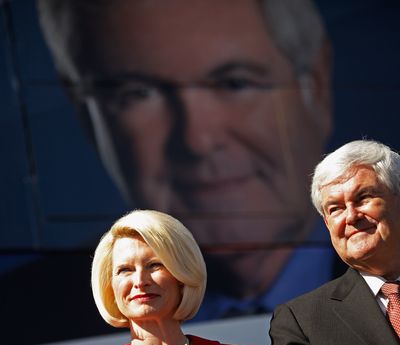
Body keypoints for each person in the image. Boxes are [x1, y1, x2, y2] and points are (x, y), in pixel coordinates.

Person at [36, 0, 338, 318]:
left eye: (234, 83)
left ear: (315, 87)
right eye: (138, 93)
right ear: (87, 116)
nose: (197, 141)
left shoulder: (392, 282)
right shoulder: (27, 316)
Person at [67, 209, 267, 345]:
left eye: (154, 265)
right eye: (125, 270)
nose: (140, 281)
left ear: (182, 276)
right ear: (110, 286)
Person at [268, 139, 400, 345]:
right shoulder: (301, 320)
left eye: (363, 198)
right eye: (335, 208)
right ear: (327, 224)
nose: (351, 216)